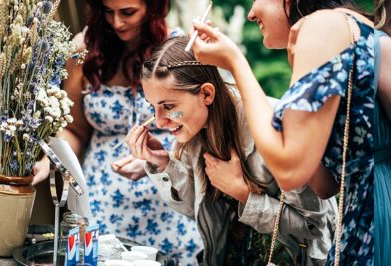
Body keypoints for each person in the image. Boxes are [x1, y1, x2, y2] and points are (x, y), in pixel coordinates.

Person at [189, 0, 391, 264]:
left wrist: (235, 63)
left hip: (373, 211)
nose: (252, 13)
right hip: (369, 209)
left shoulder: (324, 25)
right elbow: (325, 185)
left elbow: (289, 170)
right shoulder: (344, 33)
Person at [124, 36, 337, 265]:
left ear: (206, 94)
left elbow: (314, 226)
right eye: (152, 107)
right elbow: (193, 210)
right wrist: (164, 165)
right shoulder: (192, 135)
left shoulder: (270, 128)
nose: (159, 121)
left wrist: (243, 193)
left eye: (169, 107)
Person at [40, 0, 202, 263]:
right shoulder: (84, 49)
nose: (116, 22)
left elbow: (199, 129)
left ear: (153, 8)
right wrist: (51, 158)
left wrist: (159, 160)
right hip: (102, 202)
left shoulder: (179, 49)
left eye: (128, 12)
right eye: (108, 11)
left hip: (167, 204)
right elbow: (74, 130)